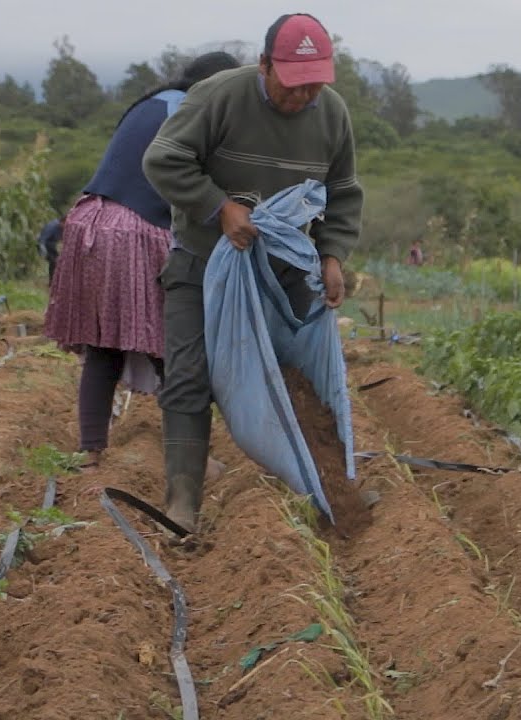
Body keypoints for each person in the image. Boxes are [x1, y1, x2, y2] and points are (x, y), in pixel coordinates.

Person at [143, 12, 363, 533]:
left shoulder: (331, 114)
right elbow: (163, 160)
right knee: (188, 377)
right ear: (264, 65)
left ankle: (328, 492)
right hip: (203, 264)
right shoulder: (219, 96)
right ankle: (183, 502)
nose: (303, 98)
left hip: (284, 270)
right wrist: (218, 207)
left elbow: (345, 192)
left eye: (314, 86)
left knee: (299, 380)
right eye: (292, 86)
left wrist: (332, 255)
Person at [43, 51, 241, 473]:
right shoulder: (191, 110)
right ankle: (191, 458)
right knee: (173, 346)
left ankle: (91, 452)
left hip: (89, 222)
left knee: (104, 345)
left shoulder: (153, 102)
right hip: (135, 229)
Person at [37, 216, 64, 284]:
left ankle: (55, 281)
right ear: (63, 222)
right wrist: (43, 252)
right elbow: (42, 240)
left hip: (52, 245)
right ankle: (52, 282)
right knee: (54, 262)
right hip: (45, 245)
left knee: (56, 262)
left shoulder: (60, 227)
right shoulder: (52, 226)